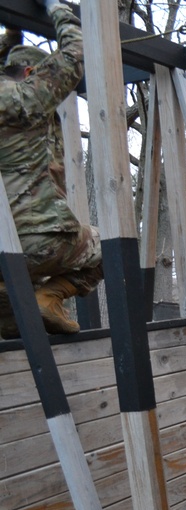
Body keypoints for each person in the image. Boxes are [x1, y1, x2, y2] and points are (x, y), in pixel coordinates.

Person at [0, 1, 102, 340]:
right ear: (31, 74)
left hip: (2, 249)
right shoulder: (27, 98)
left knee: (15, 324)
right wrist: (56, 8)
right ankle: (50, 296)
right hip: (37, 239)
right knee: (111, 248)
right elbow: (75, 52)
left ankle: (17, 315)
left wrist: (11, 34)